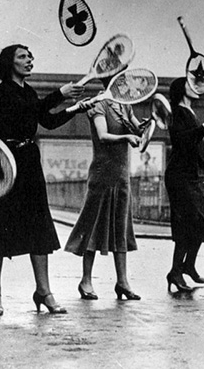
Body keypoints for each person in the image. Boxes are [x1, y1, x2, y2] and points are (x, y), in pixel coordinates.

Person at [0, 43, 87, 316]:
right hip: (5, 163)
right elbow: (28, 112)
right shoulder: (3, 92)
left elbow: (45, 121)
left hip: (28, 162)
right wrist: (60, 94)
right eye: (23, 56)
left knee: (39, 225)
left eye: (30, 56)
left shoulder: (30, 92)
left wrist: (76, 108)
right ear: (8, 63)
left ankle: (44, 291)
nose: (29, 60)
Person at [64, 79, 142, 301]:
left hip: (121, 175)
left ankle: (122, 282)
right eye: (122, 79)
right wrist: (127, 136)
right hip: (102, 174)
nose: (127, 83)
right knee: (93, 225)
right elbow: (102, 135)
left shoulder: (125, 106)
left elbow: (137, 129)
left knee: (121, 227)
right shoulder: (100, 104)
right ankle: (86, 281)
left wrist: (144, 127)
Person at [164, 77, 204, 292]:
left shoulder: (189, 112)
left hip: (188, 175)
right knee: (188, 223)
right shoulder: (177, 112)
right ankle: (176, 272)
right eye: (191, 85)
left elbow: (191, 146)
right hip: (178, 176)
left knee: (201, 220)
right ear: (181, 90)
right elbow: (180, 141)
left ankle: (187, 266)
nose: (195, 87)